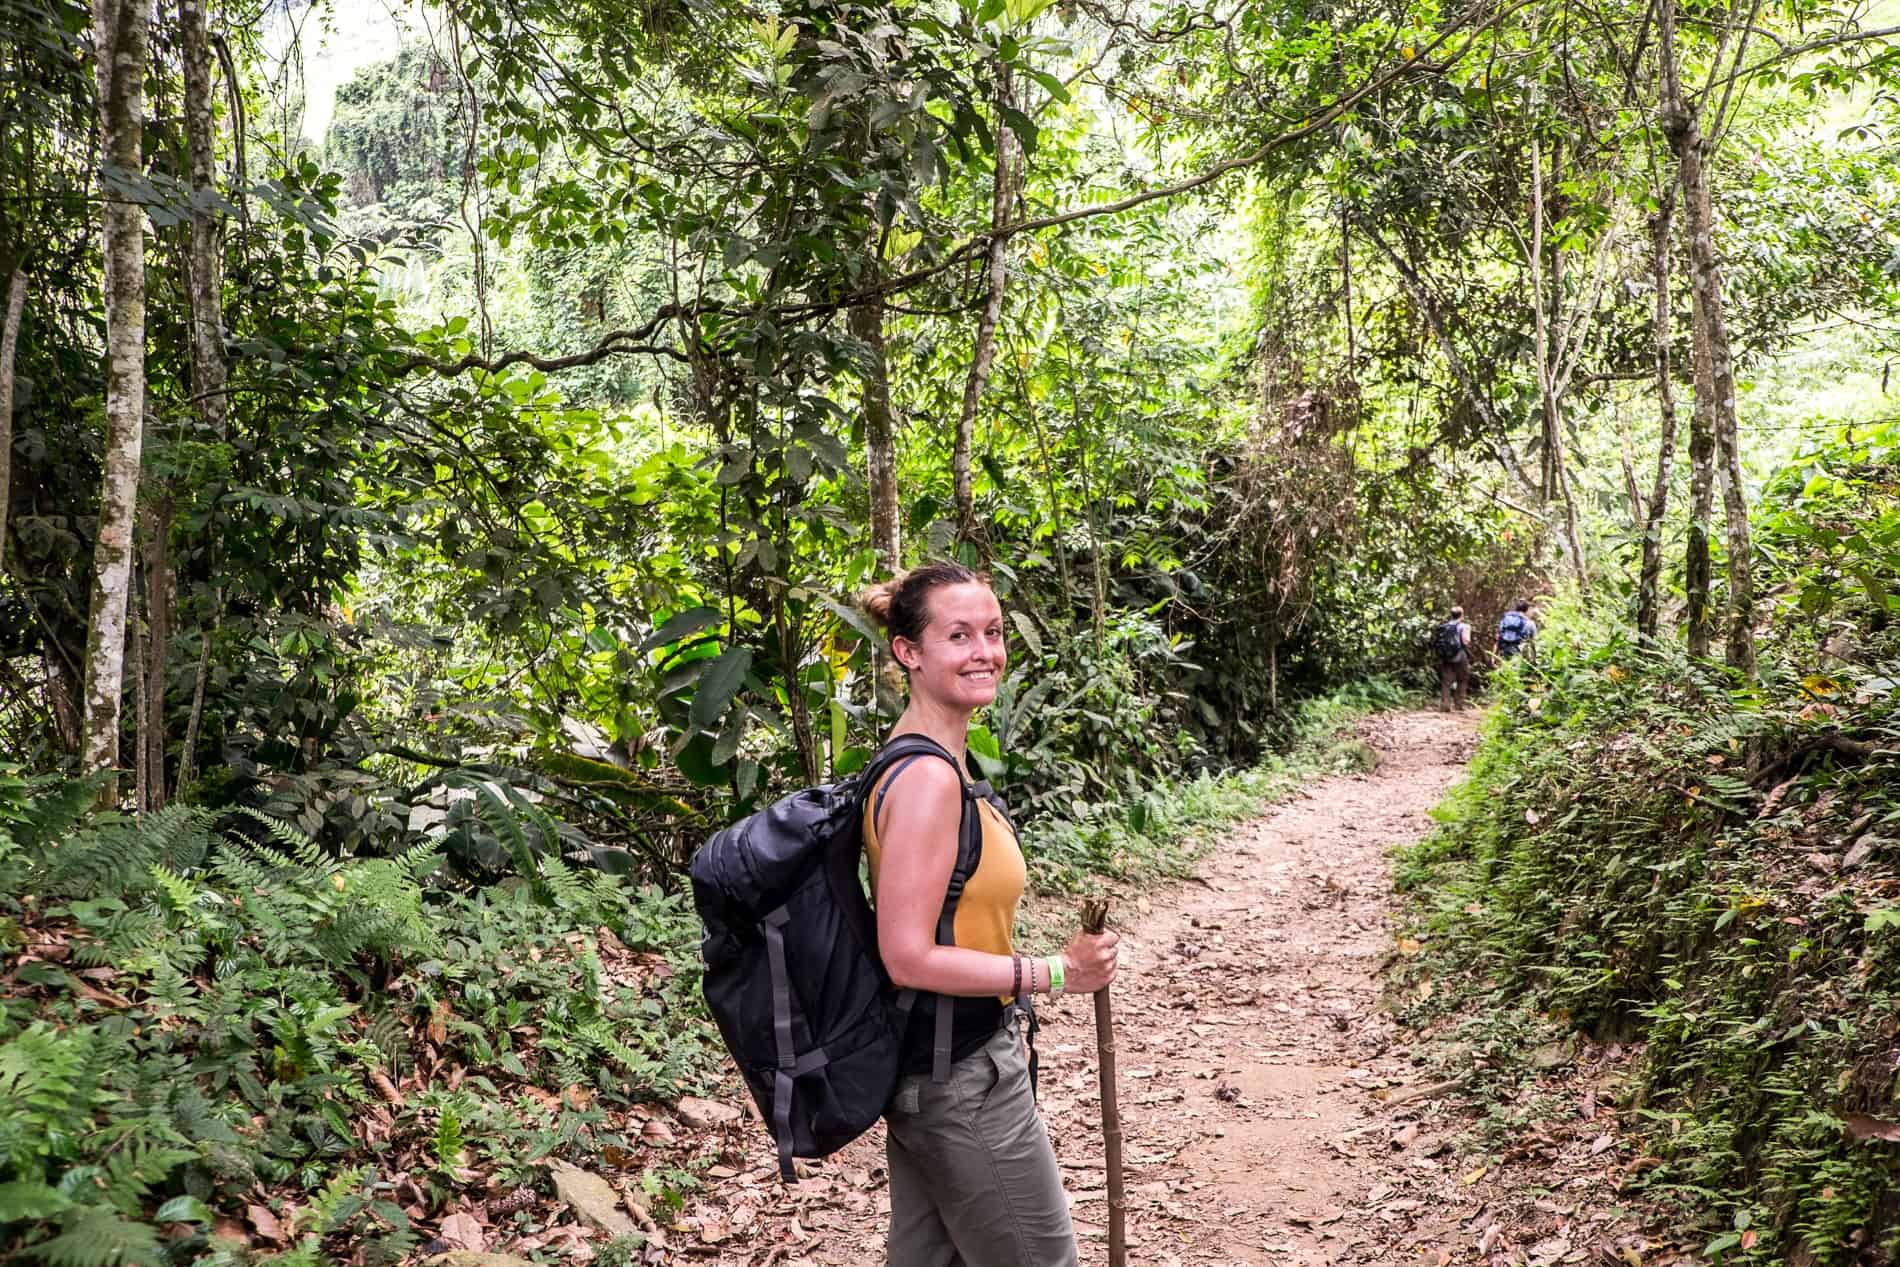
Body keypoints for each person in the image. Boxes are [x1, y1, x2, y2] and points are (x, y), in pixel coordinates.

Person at [858, 561, 1119, 1267]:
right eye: (959, 634)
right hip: (961, 1079)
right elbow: (907, 953)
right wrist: (1056, 972)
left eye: (994, 632)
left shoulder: (944, 760)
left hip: (940, 1070)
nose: (985, 650)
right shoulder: (924, 781)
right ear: (908, 652)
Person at [1434, 604, 1472, 711]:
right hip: (1460, 655)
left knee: (1446, 681)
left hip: (1446, 656)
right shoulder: (1465, 626)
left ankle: (1445, 705)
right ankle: (1459, 704)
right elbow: (1466, 641)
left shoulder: (1444, 626)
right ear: (1462, 615)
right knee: (1462, 679)